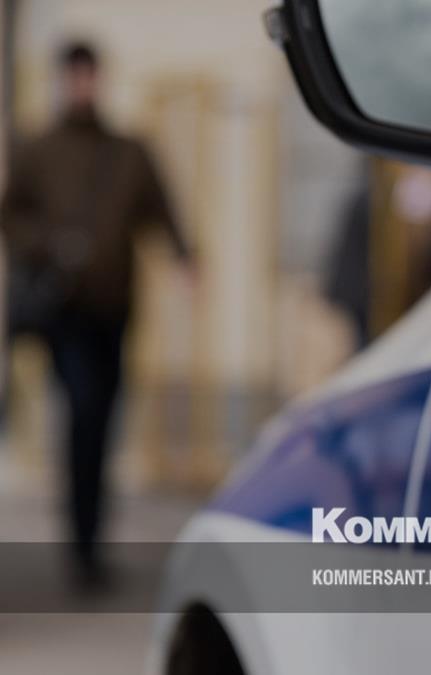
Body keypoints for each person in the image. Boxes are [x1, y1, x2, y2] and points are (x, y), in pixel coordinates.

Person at [0, 41, 192, 585]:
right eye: (74, 76)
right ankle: (81, 546)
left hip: (114, 309)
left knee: (103, 420)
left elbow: (161, 207)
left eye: (89, 76)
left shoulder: (127, 151)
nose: (82, 86)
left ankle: (90, 541)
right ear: (62, 81)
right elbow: (11, 217)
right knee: (83, 411)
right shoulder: (39, 149)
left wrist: (186, 257)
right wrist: (50, 245)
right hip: (65, 312)